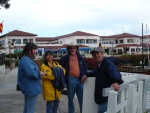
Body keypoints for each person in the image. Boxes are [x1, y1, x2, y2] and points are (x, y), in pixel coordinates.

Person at [88, 47, 124, 113]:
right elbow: (94, 72)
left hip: (106, 98)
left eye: (97, 53)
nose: (96, 56)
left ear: (102, 54)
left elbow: (114, 71)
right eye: (94, 54)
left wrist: (116, 82)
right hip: (102, 97)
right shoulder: (99, 66)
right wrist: (85, 74)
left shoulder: (107, 63)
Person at [59, 43, 88, 113]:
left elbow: (85, 67)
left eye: (74, 48)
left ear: (76, 49)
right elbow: (59, 67)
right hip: (70, 80)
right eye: (71, 48)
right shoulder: (65, 58)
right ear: (68, 49)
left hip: (80, 80)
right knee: (71, 99)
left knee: (82, 99)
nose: (72, 49)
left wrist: (85, 74)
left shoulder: (80, 57)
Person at [17, 42, 45, 113]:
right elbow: (31, 73)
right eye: (34, 50)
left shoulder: (25, 59)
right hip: (30, 88)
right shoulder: (26, 60)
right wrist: (40, 73)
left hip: (29, 87)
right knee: (30, 109)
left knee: (27, 109)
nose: (35, 52)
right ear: (29, 50)